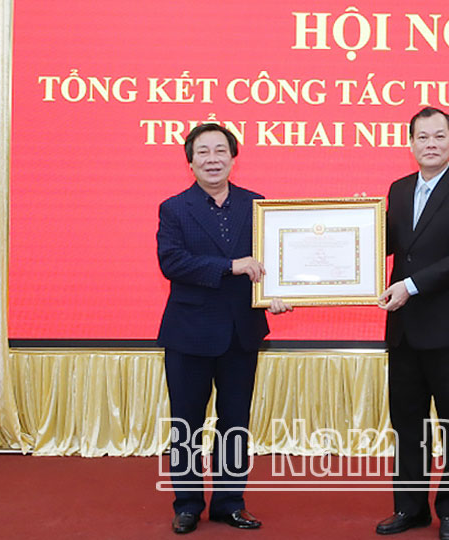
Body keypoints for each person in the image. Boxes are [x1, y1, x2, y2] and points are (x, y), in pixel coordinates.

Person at [156, 123, 291, 534]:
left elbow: (275, 260)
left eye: (220, 151)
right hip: (189, 334)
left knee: (235, 424)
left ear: (234, 158)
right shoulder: (174, 208)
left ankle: (230, 503)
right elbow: (172, 262)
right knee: (187, 425)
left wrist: (279, 292)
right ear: (190, 161)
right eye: (203, 152)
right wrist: (230, 266)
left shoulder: (257, 204)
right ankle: (187, 504)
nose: (212, 159)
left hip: (241, 333)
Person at [376, 107, 449, 540]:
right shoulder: (399, 189)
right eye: (422, 137)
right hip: (405, 330)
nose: (430, 144)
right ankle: (410, 508)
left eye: (439, 136)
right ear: (410, 144)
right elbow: (383, 244)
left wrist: (410, 286)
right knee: (408, 424)